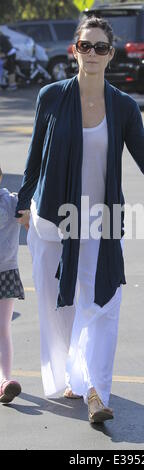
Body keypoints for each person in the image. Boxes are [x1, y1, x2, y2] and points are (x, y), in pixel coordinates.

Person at [15, 16, 144, 424]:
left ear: (111, 53)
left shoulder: (123, 107)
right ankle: (73, 377)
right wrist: (23, 202)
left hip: (100, 221)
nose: (92, 54)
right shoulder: (51, 96)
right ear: (74, 50)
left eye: (101, 47)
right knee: (61, 311)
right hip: (53, 218)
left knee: (103, 303)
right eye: (85, 46)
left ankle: (96, 391)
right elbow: (35, 157)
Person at [0, 167, 24, 403]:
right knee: (3, 329)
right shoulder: (13, 202)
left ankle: (4, 380)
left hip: (6, 271)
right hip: (7, 271)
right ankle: (5, 378)